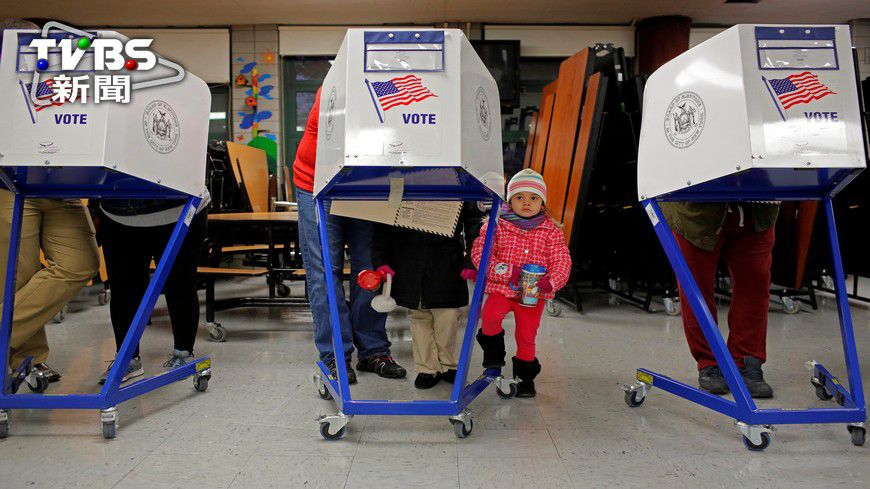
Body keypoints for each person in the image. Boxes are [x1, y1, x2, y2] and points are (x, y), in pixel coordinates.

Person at [0, 19, 100, 385]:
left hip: (62, 188)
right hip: (10, 186)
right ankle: (30, 359)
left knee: (81, 262)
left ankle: (3, 338)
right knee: (16, 276)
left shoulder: (67, 81)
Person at [294, 87, 406, 382]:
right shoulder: (335, 87)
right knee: (324, 273)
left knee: (370, 268)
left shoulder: (394, 88)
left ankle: (372, 351)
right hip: (318, 183)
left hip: (368, 185)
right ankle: (335, 355)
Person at [661, 201, 779, 398]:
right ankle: (709, 363)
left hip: (756, 209)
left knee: (755, 288)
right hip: (695, 213)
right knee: (696, 291)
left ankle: (747, 362)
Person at [472, 169, 571, 398]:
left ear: (542, 202)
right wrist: (508, 271)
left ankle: (525, 378)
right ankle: (494, 353)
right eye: (519, 197)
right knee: (490, 315)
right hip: (502, 289)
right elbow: (481, 255)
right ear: (509, 200)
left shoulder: (551, 231)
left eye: (533, 198)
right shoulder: (495, 226)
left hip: (532, 296)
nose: (526, 203)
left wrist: (551, 282)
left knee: (527, 335)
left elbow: (561, 259)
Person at [95, 192, 209, 384]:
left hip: (179, 210)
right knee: (124, 290)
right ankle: (127, 359)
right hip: (118, 214)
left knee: (180, 284)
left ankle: (183, 353)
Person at [371, 203, 484, 389]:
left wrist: (472, 259)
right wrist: (380, 260)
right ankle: (427, 369)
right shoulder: (401, 179)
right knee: (419, 317)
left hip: (446, 260)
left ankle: (446, 364)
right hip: (410, 259)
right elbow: (383, 224)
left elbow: (474, 222)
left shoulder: (458, 179)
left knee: (448, 315)